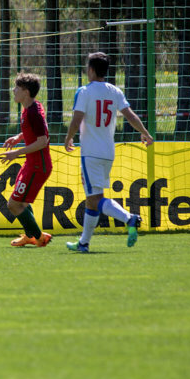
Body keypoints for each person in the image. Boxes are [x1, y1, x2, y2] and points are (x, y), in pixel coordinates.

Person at [64, 52, 154, 252]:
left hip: (90, 153)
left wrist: (69, 137)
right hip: (107, 152)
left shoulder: (84, 91)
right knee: (93, 199)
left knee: (95, 198)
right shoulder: (114, 91)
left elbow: (77, 118)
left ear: (92, 70)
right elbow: (130, 116)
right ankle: (83, 243)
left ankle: (128, 218)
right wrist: (146, 134)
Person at [2, 73, 54, 248]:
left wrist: (17, 152)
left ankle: (38, 237)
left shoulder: (34, 113)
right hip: (31, 164)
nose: (13, 90)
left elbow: (42, 141)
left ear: (26, 91)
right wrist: (18, 137)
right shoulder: (30, 108)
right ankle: (31, 234)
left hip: (38, 166)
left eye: (17, 87)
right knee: (20, 202)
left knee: (13, 205)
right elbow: (34, 132)